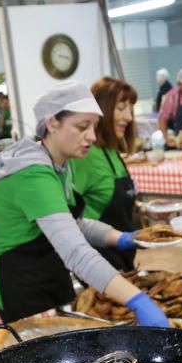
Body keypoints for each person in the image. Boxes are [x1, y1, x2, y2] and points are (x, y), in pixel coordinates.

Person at [0, 81, 169, 326]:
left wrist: (122, 238)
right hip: (20, 284)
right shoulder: (32, 174)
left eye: (93, 126)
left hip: (48, 272)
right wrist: (137, 300)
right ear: (51, 123)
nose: (92, 136)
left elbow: (73, 223)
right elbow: (75, 252)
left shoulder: (60, 163)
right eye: (82, 126)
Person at [70, 77, 139, 271]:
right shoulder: (85, 155)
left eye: (130, 109)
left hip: (123, 256)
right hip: (99, 258)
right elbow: (71, 218)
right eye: (121, 108)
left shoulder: (111, 152)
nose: (129, 117)